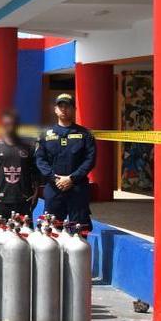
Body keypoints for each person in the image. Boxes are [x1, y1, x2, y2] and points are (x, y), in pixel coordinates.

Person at [36, 93, 96, 230]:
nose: (64, 109)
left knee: (79, 230)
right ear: (55, 109)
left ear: (74, 109)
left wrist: (72, 178)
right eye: (60, 106)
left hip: (77, 189)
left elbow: (90, 160)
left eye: (67, 106)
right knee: (50, 230)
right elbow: (40, 160)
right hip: (53, 189)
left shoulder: (85, 134)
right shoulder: (45, 135)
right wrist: (55, 178)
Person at [0, 109, 39, 219]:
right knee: (3, 233)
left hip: (24, 200)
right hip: (2, 200)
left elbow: (35, 172)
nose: (10, 126)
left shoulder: (29, 146)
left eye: (13, 124)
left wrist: (36, 193)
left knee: (25, 233)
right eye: (7, 124)